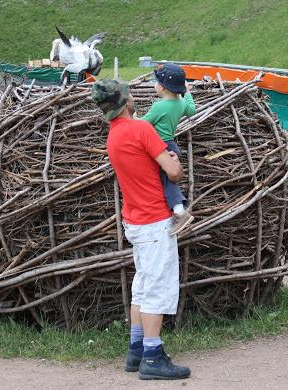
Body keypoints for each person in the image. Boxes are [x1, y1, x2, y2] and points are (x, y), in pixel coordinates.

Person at [92, 79, 191, 380]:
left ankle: (136, 350)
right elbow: (173, 172)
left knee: (143, 285)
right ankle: (152, 356)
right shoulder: (141, 130)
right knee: (156, 289)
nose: (134, 96)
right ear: (123, 102)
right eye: (129, 94)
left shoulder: (114, 136)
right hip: (153, 221)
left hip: (134, 221)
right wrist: (175, 161)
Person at [142, 63, 196, 235]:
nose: (154, 84)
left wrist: (132, 120)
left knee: (168, 180)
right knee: (166, 179)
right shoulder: (180, 103)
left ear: (163, 87)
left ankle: (179, 211)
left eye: (156, 82)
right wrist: (187, 93)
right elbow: (192, 110)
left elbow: (143, 125)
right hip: (171, 144)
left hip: (161, 148)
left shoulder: (159, 107)